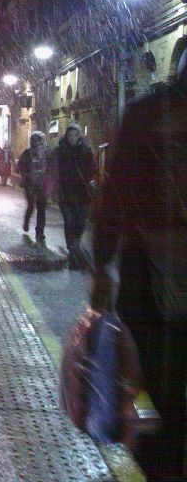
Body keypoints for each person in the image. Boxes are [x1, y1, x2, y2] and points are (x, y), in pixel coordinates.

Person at [91, 81, 187, 480]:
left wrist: (101, 266)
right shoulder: (144, 114)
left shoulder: (144, 114)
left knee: (153, 378)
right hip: (147, 267)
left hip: (146, 269)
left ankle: (161, 461)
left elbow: (115, 192)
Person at [52, 122, 96, 268]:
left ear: (79, 136)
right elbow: (53, 169)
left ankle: (75, 243)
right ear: (66, 136)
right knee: (69, 222)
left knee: (81, 222)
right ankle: (72, 249)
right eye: (70, 135)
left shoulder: (86, 150)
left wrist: (89, 178)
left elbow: (92, 169)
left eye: (75, 135)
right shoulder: (60, 151)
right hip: (65, 193)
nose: (72, 138)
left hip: (82, 194)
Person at [17, 131, 50, 241]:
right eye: (34, 140)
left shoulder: (46, 153)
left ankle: (39, 231)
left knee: (41, 208)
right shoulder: (27, 153)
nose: (36, 142)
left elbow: (51, 167)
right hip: (30, 184)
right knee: (31, 205)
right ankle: (26, 222)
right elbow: (20, 166)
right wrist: (26, 176)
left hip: (42, 185)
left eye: (38, 140)